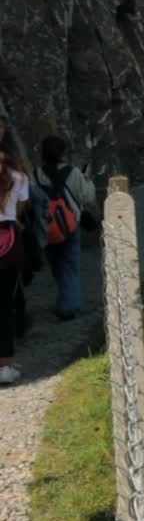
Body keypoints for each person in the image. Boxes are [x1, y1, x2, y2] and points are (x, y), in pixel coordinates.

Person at [35, 136, 96, 321]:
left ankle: (65, 300)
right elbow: (88, 196)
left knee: (57, 266)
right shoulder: (74, 173)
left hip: (47, 227)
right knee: (70, 266)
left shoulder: (37, 173)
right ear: (63, 153)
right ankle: (68, 306)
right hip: (70, 225)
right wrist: (88, 179)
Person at [0, 126, 31, 384]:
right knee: (4, 306)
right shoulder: (20, 178)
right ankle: (5, 365)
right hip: (8, 241)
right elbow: (20, 210)